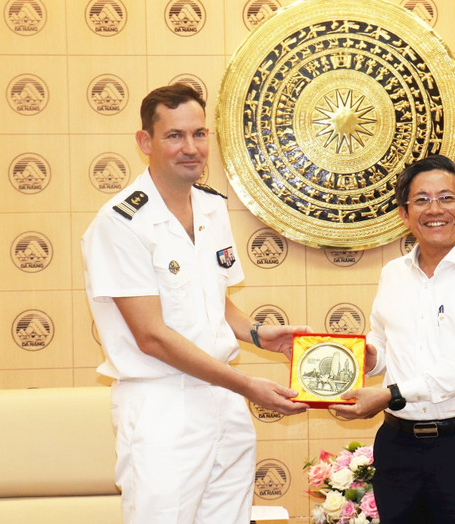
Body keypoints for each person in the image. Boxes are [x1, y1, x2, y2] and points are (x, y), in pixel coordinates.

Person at [81, 83, 309, 524]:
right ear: (145, 141)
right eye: (175, 135)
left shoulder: (211, 208)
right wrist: (247, 385)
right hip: (163, 404)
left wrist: (258, 334)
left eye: (199, 134)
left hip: (224, 400)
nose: (191, 148)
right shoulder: (121, 223)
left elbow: (214, 302)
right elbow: (152, 337)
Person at [333, 154, 455, 523]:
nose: (434, 209)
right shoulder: (393, 274)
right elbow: (383, 341)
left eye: (446, 198)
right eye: (421, 200)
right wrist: (368, 358)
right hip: (397, 448)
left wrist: (392, 394)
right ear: (404, 214)